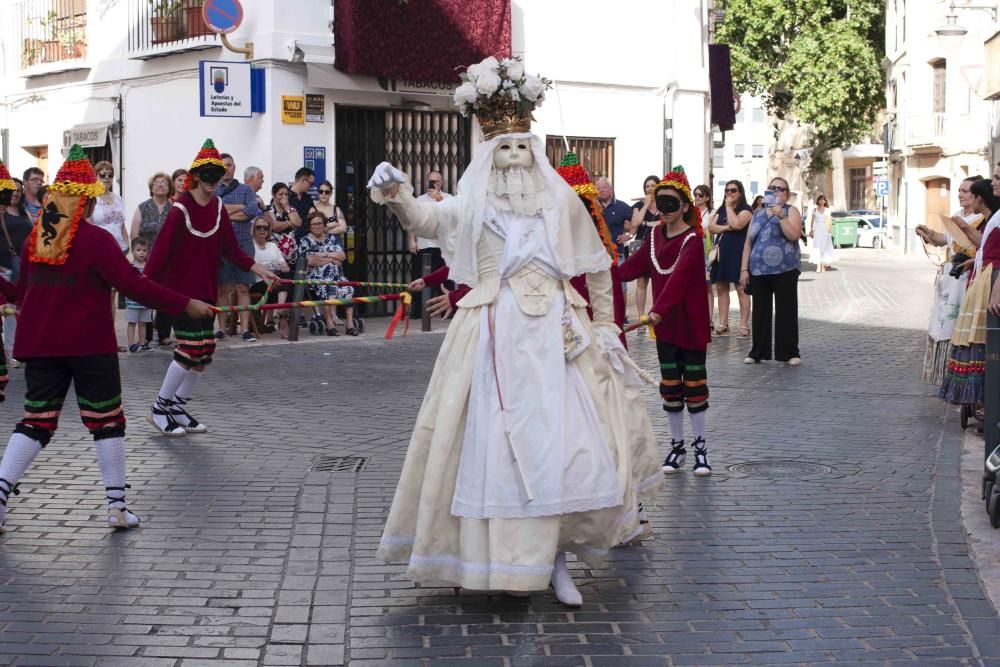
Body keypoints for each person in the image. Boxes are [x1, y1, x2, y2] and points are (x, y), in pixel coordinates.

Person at [367, 56, 649, 606]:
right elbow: (430, 221)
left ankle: (557, 559)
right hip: (495, 328)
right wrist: (398, 192)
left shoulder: (562, 200)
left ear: (534, 150)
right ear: (490, 154)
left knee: (570, 442)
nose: (516, 157)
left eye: (523, 146)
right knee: (491, 445)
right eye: (505, 148)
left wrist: (609, 324)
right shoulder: (473, 202)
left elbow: (596, 263)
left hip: (560, 335)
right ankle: (502, 560)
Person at [0, 145, 213, 533]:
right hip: (89, 347)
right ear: (84, 202)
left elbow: (20, 295)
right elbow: (134, 284)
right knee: (107, 422)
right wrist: (186, 305)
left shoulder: (36, 241)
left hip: (42, 348)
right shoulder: (96, 241)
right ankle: (116, 506)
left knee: (36, 421)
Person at [144, 139, 278, 437]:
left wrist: (259, 269)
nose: (211, 183)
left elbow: (230, 248)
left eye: (216, 177)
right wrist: (146, 288)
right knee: (190, 348)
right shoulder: (181, 209)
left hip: (206, 287)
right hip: (180, 290)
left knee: (205, 352)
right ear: (195, 176)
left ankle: (177, 407)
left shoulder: (217, 206)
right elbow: (160, 253)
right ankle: (159, 407)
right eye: (206, 177)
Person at [619, 167, 713, 475]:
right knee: (670, 388)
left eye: (672, 204)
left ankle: (701, 450)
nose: (666, 210)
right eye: (661, 203)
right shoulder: (655, 236)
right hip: (666, 327)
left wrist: (657, 309)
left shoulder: (693, 240)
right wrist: (602, 272)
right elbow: (633, 266)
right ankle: (677, 448)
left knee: (695, 387)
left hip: (690, 324)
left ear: (685, 206)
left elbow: (680, 281)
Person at [936, 174, 1000, 407]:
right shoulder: (994, 217)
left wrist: (995, 288)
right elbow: (987, 245)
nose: (994, 182)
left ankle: (985, 403)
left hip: (990, 281)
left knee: (983, 341)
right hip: (984, 276)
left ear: (979, 198)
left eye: (998, 178)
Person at [916, 176, 985, 385]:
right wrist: (927, 233)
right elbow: (942, 240)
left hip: (966, 278)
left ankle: (960, 378)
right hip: (949, 277)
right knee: (943, 325)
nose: (960, 194)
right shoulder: (956, 216)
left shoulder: (982, 219)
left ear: (976, 196)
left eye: (965, 191)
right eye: (959, 190)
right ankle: (945, 375)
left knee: (957, 325)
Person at [740, 177, 804, 365]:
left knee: (786, 310)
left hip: (785, 268)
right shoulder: (758, 214)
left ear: (787, 194)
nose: (776, 191)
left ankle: (790, 353)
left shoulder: (791, 211)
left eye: (780, 189)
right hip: (759, 269)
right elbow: (748, 243)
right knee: (760, 311)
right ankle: (758, 352)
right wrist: (744, 269)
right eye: (772, 188)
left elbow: (793, 235)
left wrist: (781, 217)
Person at [215, 156, 264, 343]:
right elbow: (212, 211)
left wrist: (225, 214)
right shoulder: (213, 191)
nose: (226, 169)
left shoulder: (246, 190)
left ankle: (244, 330)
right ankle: (221, 329)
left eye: (229, 165)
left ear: (235, 167)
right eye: (223, 166)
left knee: (243, 287)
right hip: (220, 245)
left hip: (243, 244)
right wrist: (237, 209)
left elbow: (250, 212)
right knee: (223, 289)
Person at [131, 172, 176, 348]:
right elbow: (135, 233)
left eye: (164, 183)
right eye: (157, 183)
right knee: (149, 296)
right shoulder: (142, 207)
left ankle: (164, 334)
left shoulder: (174, 208)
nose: (160, 185)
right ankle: (147, 336)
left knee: (166, 296)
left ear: (169, 187)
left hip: (169, 260)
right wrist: (139, 255)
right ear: (151, 188)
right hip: (147, 259)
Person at [299, 211, 357, 336]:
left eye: (320, 223)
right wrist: (332, 259)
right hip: (318, 278)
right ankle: (330, 324)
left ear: (324, 224)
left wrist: (323, 255)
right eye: (314, 224)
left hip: (337, 277)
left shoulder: (332, 238)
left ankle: (350, 324)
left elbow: (342, 256)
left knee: (348, 288)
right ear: (309, 226)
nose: (317, 226)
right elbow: (311, 260)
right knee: (327, 287)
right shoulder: (305, 241)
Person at [708, 180, 752, 337]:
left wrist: (728, 208)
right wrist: (727, 227)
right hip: (722, 254)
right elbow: (711, 227)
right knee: (721, 288)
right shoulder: (721, 209)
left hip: (738, 253)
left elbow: (738, 224)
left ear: (740, 192)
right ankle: (723, 323)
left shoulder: (746, 209)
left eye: (733, 190)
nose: (729, 193)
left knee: (741, 289)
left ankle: (743, 324)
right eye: (727, 190)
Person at [409, 171, 452, 317]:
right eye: (431, 181)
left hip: (442, 245)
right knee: (420, 276)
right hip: (423, 243)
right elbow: (412, 222)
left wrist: (438, 198)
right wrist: (411, 240)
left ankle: (448, 308)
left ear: (441, 182)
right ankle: (416, 311)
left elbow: (453, 215)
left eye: (436, 181)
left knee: (445, 276)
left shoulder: (449, 198)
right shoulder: (419, 200)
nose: (433, 183)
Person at [265, 183, 301, 338]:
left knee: (289, 283)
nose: (284, 197)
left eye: (286, 194)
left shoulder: (290, 209)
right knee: (281, 281)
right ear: (274, 195)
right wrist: (289, 223)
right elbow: (274, 226)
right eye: (280, 194)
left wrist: (288, 208)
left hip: (291, 256)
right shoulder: (269, 210)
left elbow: (298, 222)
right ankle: (280, 316)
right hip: (275, 257)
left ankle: (280, 315)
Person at [2, 177, 32, 362]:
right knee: (6, 309)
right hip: (3, 264)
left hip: (20, 265)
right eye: (12, 190)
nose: (15, 193)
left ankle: (15, 348)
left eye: (19, 191)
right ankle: (9, 349)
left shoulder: (24, 213)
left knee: (15, 307)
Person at [627, 175, 662, 323]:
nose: (650, 189)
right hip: (642, 245)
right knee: (642, 281)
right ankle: (642, 316)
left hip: (660, 245)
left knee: (658, 281)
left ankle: (656, 312)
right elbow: (635, 224)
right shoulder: (638, 206)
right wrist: (646, 206)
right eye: (647, 186)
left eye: (653, 185)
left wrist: (647, 224)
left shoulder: (663, 204)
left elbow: (664, 223)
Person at [250, 216, 288, 334]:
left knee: (286, 281)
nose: (262, 230)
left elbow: (284, 264)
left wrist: (284, 267)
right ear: (253, 229)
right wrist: (266, 270)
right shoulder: (250, 246)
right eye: (259, 227)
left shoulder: (272, 246)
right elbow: (250, 266)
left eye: (265, 228)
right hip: (257, 281)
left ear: (269, 230)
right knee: (283, 285)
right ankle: (281, 313)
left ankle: (280, 310)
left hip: (274, 280)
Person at [91, 162, 129, 254]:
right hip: (100, 249)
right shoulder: (91, 198)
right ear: (95, 177)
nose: (107, 178)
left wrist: (127, 246)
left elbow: (122, 226)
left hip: (120, 249)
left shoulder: (118, 198)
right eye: (102, 175)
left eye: (110, 175)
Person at [595, 176, 634, 260]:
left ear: (611, 189)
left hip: (617, 254)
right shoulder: (593, 206)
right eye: (598, 188)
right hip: (597, 255)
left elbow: (636, 222)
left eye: (604, 187)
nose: (601, 190)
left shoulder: (622, 206)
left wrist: (630, 235)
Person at [125, 238, 153, 353]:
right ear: (133, 251)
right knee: (132, 323)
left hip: (145, 301)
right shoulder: (131, 266)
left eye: (144, 250)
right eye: (138, 250)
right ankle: (131, 344)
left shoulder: (149, 267)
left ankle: (142, 343)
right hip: (133, 301)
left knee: (143, 323)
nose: (141, 252)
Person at [694, 184, 715, 328]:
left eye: (700, 195)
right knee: (694, 286)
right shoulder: (690, 212)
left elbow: (712, 230)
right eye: (695, 194)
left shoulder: (712, 213)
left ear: (707, 197)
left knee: (707, 286)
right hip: (692, 250)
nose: (697, 197)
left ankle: (709, 319)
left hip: (706, 251)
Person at [809, 194, 836, 272]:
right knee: (817, 246)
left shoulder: (828, 210)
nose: (821, 201)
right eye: (820, 199)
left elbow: (829, 221)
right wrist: (811, 230)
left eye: (823, 200)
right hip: (817, 229)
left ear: (825, 201)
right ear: (818, 201)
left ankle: (822, 264)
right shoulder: (814, 210)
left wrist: (830, 231)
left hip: (824, 229)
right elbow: (812, 221)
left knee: (823, 247)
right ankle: (818, 265)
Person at [288, 167, 316, 240]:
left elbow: (314, 216)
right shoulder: (285, 196)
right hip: (288, 241)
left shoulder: (308, 198)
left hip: (306, 240)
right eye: (311, 184)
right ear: (303, 180)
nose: (311, 187)